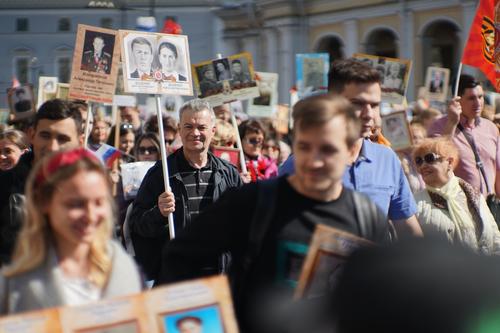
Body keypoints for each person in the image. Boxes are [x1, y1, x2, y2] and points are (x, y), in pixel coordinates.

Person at [157, 95, 389, 332]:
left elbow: (379, 299)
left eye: (327, 149)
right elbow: (179, 257)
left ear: (351, 151)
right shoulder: (252, 202)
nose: (313, 161)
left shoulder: (367, 218)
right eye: (304, 147)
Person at [280, 59, 423, 237]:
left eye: (375, 105)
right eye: (357, 103)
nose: (369, 114)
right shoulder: (298, 165)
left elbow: (409, 231)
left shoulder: (387, 159)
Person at [0, 149, 142, 314]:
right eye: (76, 204)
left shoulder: (121, 266)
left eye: (98, 202)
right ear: (44, 202)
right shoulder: (14, 285)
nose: (90, 216)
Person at [129, 99, 243, 281]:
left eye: (201, 127)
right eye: (188, 126)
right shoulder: (161, 173)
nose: (195, 133)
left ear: (213, 131)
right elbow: (137, 225)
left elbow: (243, 228)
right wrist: (159, 213)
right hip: (176, 280)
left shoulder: (228, 173)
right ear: (180, 130)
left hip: (219, 280)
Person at [0, 99, 83, 265]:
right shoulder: (4, 184)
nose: (52, 147)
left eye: (63, 139)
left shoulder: (89, 190)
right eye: (45, 135)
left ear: (79, 143)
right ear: (31, 135)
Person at [412, 138, 500, 254]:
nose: (423, 165)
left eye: (429, 158)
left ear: (449, 162)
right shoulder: (415, 203)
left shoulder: (474, 194)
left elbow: (495, 239)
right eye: (419, 161)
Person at [428, 74, 500, 197]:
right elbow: (436, 160)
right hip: (459, 207)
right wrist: (451, 123)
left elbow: (498, 170)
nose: (478, 103)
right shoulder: (439, 126)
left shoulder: (491, 128)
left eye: (480, 97)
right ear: (457, 100)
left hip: (489, 208)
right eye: (471, 98)